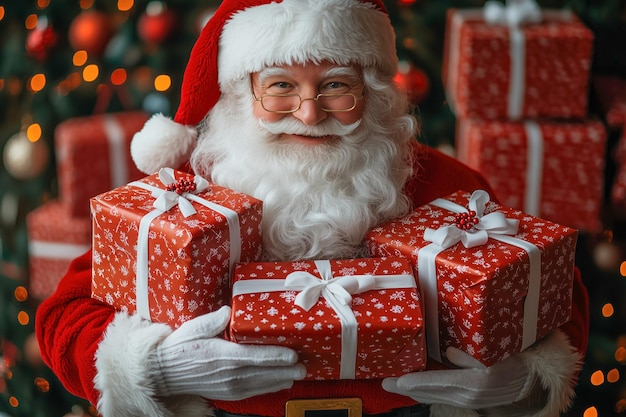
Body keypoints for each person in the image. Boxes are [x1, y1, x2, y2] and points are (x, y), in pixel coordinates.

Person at [36, 1, 588, 417]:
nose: (307, 112)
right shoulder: (182, 198)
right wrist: (146, 367)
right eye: (280, 86)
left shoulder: (451, 189)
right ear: (241, 94)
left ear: (373, 93)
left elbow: (554, 294)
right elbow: (64, 315)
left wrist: (526, 381)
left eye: (336, 87)